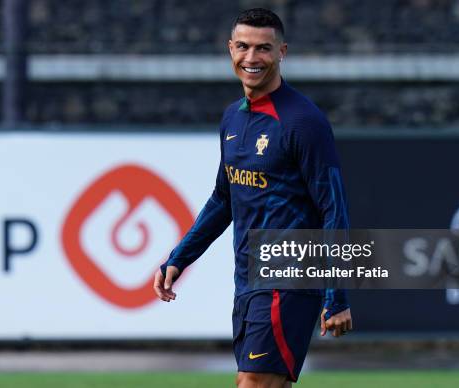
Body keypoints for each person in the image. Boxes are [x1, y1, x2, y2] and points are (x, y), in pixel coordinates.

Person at [153, 8, 352, 388]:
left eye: (263, 48)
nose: (251, 58)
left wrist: (336, 295)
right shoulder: (233, 118)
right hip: (247, 276)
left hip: (287, 276)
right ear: (230, 49)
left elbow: (334, 208)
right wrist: (180, 258)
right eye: (242, 47)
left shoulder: (302, 122)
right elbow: (223, 199)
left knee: (254, 382)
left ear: (282, 52)